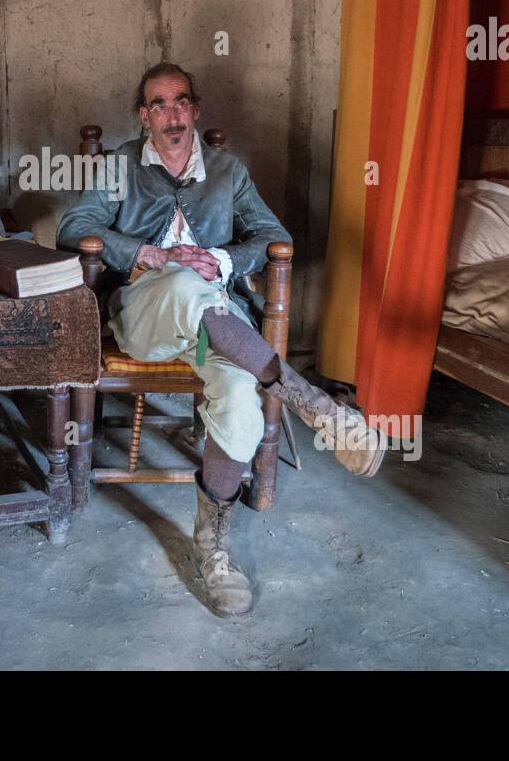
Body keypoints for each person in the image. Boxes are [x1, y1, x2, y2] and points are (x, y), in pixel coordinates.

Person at [56, 62, 383, 618]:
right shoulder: (119, 167)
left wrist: (226, 259)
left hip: (221, 325)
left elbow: (275, 237)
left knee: (240, 405)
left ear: (196, 108)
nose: (172, 113)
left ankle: (212, 546)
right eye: (158, 104)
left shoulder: (229, 171)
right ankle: (314, 404)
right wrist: (150, 254)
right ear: (144, 116)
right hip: (145, 313)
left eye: (180, 101)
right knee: (187, 285)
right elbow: (73, 228)